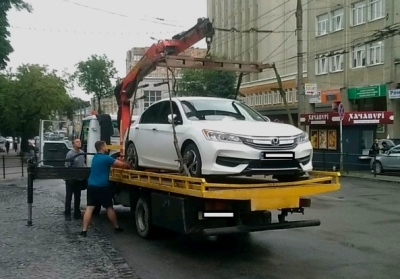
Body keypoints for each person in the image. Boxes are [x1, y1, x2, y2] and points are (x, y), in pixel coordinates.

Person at [80, 140, 131, 237]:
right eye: (105, 146)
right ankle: (116, 227)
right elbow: (122, 165)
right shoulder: (106, 158)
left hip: (91, 185)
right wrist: (129, 165)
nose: (107, 147)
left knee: (90, 208)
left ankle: (84, 230)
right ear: (102, 147)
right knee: (109, 208)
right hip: (102, 187)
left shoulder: (95, 158)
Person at [64, 138, 86, 221]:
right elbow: (67, 166)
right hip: (71, 179)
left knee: (78, 196)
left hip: (79, 179)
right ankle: (67, 214)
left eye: (80, 141)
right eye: (77, 142)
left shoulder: (82, 153)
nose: (79, 143)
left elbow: (83, 163)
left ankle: (77, 213)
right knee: (69, 197)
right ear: (73, 144)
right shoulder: (70, 154)